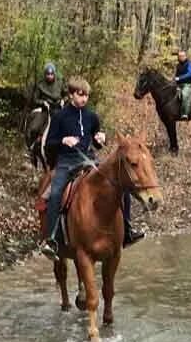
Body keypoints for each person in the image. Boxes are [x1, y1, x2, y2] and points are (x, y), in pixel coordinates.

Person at [39, 77, 144, 261]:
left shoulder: (91, 116)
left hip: (90, 161)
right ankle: (51, 240)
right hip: (66, 161)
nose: (84, 98)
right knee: (55, 193)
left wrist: (99, 139)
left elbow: (96, 141)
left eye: (86, 95)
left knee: (122, 186)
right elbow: (49, 145)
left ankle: (127, 230)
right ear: (71, 94)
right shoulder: (60, 116)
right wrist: (63, 140)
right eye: (80, 94)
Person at [173, 49, 191, 120]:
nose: (181, 57)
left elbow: (190, 74)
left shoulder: (190, 64)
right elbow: (176, 75)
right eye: (179, 56)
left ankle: (184, 114)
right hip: (178, 85)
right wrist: (175, 81)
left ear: (185, 56)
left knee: (184, 94)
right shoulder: (178, 65)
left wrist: (179, 78)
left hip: (187, 84)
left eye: (182, 56)